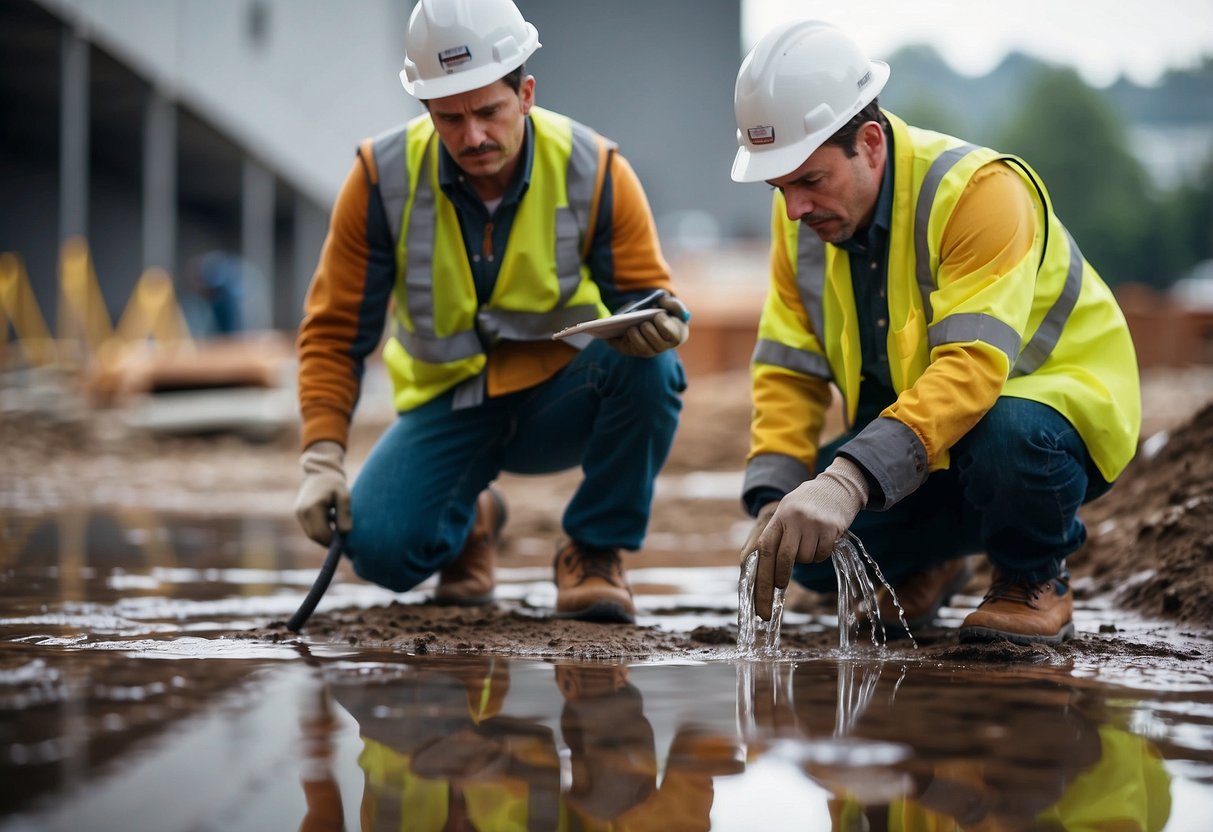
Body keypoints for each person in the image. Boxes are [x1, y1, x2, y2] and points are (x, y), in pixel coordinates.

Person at [731, 20, 1140, 645]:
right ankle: (931, 564)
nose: (794, 209)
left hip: (1048, 426)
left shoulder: (979, 192)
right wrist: (774, 502)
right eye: (780, 186)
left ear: (869, 143)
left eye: (810, 181)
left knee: (1006, 436)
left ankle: (1031, 576)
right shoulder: (802, 224)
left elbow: (972, 368)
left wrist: (848, 481)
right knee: (807, 541)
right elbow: (789, 368)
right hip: (931, 443)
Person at [292, 0, 689, 624]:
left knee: (653, 369)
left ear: (525, 93)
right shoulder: (379, 179)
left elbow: (645, 298)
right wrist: (321, 458)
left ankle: (594, 550)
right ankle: (475, 519)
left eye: (488, 111)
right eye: (449, 118)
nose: (472, 136)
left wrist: (658, 321)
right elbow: (335, 333)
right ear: (425, 108)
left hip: (558, 399)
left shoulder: (595, 169)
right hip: (447, 406)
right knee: (382, 553)